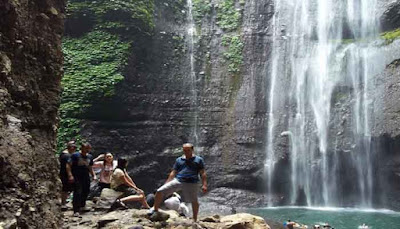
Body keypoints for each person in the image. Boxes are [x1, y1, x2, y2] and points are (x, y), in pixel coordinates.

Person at [148, 143, 207, 222]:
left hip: (192, 182)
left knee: (194, 201)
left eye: (188, 150)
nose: (186, 152)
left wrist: (204, 184)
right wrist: (167, 183)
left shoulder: (199, 160)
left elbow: (202, 173)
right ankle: (155, 209)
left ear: (192, 150)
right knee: (159, 191)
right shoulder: (179, 160)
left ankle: (195, 219)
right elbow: (173, 172)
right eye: (184, 150)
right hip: (178, 180)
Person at [66, 142, 96, 217]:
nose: (88, 150)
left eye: (89, 149)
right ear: (82, 148)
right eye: (86, 148)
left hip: (85, 176)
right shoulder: (75, 155)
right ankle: (76, 210)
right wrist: (70, 175)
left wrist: (93, 175)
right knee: (77, 192)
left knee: (86, 190)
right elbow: (68, 165)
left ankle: (83, 205)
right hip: (76, 176)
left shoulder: (90, 156)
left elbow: (90, 167)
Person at [59, 140, 77, 209]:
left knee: (67, 188)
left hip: (66, 174)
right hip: (66, 174)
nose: (74, 149)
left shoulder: (66, 154)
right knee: (65, 189)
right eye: (73, 147)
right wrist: (70, 175)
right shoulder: (66, 155)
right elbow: (68, 166)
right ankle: (63, 203)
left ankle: (66, 202)